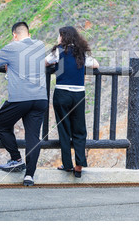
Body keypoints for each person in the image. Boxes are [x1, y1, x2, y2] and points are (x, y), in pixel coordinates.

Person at [0, 22, 48, 186]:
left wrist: (9, 63)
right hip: (41, 97)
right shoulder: (40, 45)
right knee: (33, 136)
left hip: (20, 98)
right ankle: (29, 176)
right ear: (29, 33)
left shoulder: (11, 47)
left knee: (0, 125)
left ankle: (16, 158)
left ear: (15, 35)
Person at [45, 26, 99, 178]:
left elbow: (45, 62)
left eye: (59, 36)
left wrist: (55, 65)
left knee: (64, 129)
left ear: (63, 37)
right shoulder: (81, 53)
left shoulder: (58, 52)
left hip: (62, 93)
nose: (57, 39)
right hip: (78, 95)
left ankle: (67, 164)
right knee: (79, 130)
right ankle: (79, 165)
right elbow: (96, 64)